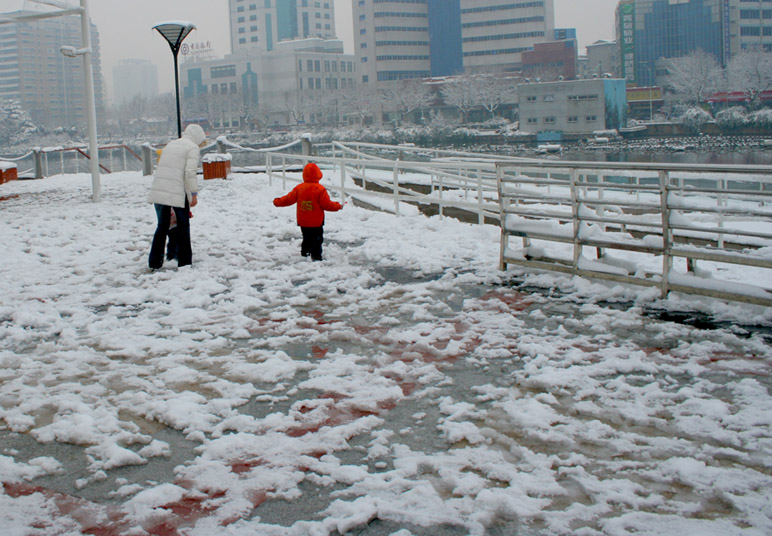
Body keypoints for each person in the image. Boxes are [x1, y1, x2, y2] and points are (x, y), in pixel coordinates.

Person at [147, 123, 207, 269]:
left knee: (162, 226)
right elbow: (190, 173)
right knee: (183, 226)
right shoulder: (192, 148)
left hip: (160, 189)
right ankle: (185, 262)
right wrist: (193, 194)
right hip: (177, 192)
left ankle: (155, 262)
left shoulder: (171, 144)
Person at [273, 162, 342, 261]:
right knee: (317, 239)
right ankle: (316, 256)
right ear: (318, 175)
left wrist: (277, 202)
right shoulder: (320, 189)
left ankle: (305, 253)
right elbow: (326, 205)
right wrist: (338, 206)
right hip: (317, 221)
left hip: (303, 221)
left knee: (307, 237)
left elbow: (288, 199)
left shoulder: (299, 188)